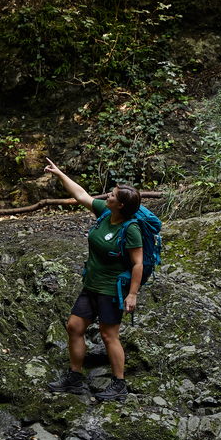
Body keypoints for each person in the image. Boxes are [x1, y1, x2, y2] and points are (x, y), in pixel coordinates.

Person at [44, 158, 143, 402]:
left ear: (119, 205)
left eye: (111, 195)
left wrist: (133, 294)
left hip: (111, 290)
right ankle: (74, 379)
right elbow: (81, 194)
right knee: (74, 327)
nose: (107, 196)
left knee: (109, 336)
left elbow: (138, 263)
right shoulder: (105, 213)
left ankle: (119, 384)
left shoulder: (130, 229)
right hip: (91, 286)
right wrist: (59, 173)